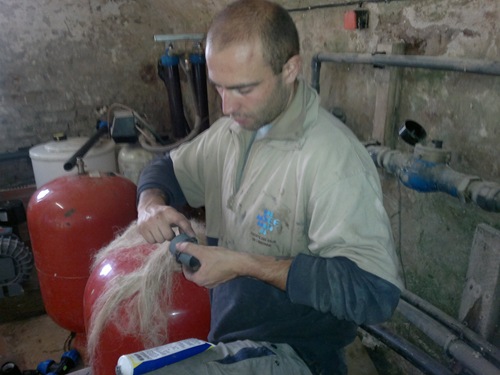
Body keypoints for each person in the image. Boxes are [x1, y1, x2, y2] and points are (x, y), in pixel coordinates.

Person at [136, 0, 403, 374]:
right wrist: (150, 204)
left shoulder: (331, 159)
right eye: (219, 88)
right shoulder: (231, 133)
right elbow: (164, 169)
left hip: (297, 353)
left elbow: (375, 293)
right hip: (232, 339)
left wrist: (243, 264)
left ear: (290, 68)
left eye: (243, 88)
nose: (227, 106)